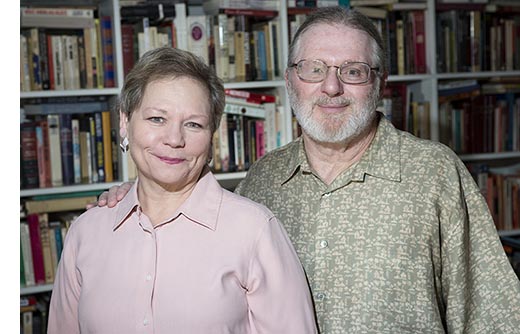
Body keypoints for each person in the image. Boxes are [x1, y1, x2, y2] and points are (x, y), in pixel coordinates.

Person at [95, 7, 520, 334]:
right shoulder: (261, 181)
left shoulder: (435, 174)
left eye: (352, 71)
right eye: (314, 69)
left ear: (380, 83)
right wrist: (135, 194)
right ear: (289, 80)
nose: (331, 87)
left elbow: (494, 316)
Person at [47, 46, 318, 334]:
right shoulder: (86, 232)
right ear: (125, 122)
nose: (175, 139)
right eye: (157, 119)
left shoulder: (254, 231)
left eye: (193, 124)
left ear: (211, 136)